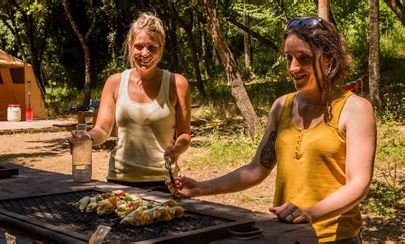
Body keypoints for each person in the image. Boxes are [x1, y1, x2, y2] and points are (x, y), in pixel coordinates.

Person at [166, 16, 376, 243]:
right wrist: (201, 188)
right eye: (289, 58)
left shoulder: (355, 109)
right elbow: (257, 169)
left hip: (337, 237)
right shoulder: (281, 106)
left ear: (329, 59)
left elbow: (359, 184)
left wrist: (310, 213)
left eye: (304, 59)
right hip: (289, 235)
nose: (293, 68)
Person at [71, 12, 191, 192]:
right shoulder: (114, 82)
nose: (145, 53)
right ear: (130, 46)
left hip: (163, 181)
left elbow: (185, 134)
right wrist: (87, 138)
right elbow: (102, 129)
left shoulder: (177, 83)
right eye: (139, 46)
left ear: (162, 47)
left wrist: (177, 149)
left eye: (152, 47)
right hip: (119, 181)